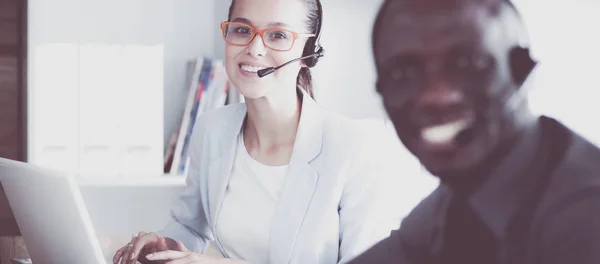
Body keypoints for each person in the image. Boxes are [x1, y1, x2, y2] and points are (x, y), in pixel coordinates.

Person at [113, 0, 404, 263]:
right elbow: (189, 227)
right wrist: (164, 246)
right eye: (241, 30)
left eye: (277, 35)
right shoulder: (211, 130)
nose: (254, 48)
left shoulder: (354, 147)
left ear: (309, 50)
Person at [348, 0, 600, 263]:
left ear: (523, 71)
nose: (436, 97)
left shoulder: (585, 215)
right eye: (403, 72)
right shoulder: (465, 196)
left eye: (468, 62)